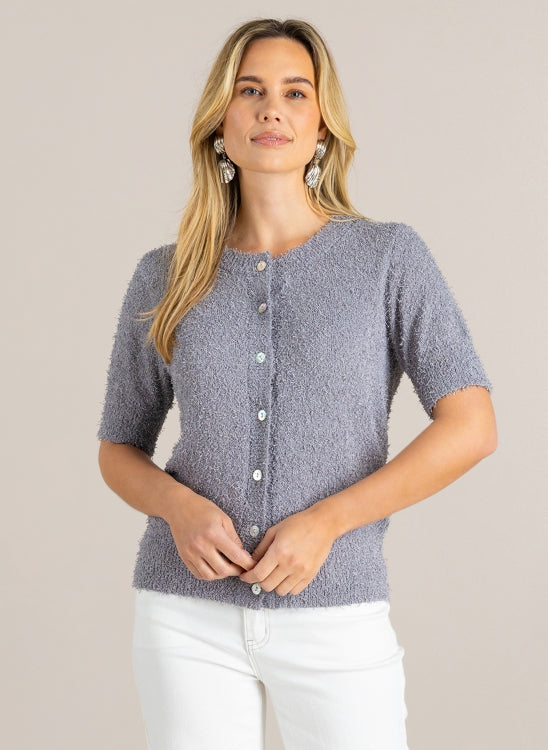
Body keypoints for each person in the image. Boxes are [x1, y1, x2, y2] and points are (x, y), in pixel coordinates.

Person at [97, 17, 497, 750]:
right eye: (250, 91)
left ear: (321, 127)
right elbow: (117, 448)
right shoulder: (165, 274)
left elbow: (472, 425)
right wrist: (178, 509)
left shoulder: (387, 258)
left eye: (294, 93)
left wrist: (328, 522)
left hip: (335, 608)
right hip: (185, 616)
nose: (271, 110)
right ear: (221, 122)